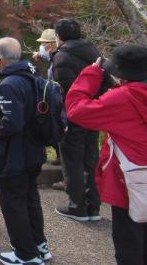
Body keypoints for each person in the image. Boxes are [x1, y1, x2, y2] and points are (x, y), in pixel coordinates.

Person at [66, 45, 147, 265]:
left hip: (131, 184)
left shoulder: (123, 98)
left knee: (130, 246)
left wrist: (91, 73)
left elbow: (77, 110)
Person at [0, 37, 51, 265]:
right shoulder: (31, 76)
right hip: (33, 150)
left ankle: (25, 254)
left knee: (13, 203)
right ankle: (39, 245)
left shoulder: (9, 83)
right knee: (30, 199)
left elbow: (11, 123)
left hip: (14, 154)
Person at [52, 18, 105, 222]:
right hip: (93, 113)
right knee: (90, 159)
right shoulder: (94, 52)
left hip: (73, 115)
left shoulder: (62, 56)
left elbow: (61, 92)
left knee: (72, 161)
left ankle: (77, 207)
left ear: (59, 36)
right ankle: (93, 206)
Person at [32, 29, 63, 171]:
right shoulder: (54, 56)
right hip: (56, 97)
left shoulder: (59, 58)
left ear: (51, 44)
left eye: (44, 43)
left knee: (58, 128)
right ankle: (59, 156)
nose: (42, 47)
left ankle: (62, 158)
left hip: (59, 99)